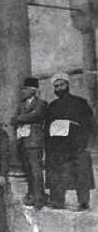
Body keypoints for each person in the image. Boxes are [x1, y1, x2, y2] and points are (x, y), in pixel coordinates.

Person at [45, 72, 95, 211]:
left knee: (81, 171)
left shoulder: (80, 102)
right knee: (57, 171)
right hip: (57, 143)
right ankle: (57, 200)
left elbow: (90, 123)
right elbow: (47, 126)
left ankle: (83, 202)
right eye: (56, 86)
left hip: (76, 141)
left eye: (62, 85)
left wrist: (88, 143)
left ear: (68, 85)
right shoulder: (52, 106)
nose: (59, 88)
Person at [11, 77, 48, 210]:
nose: (23, 91)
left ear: (33, 90)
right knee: (28, 170)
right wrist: (22, 118)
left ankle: (39, 197)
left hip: (34, 140)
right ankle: (32, 194)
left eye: (25, 89)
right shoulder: (22, 105)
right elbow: (12, 119)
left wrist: (20, 118)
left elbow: (36, 115)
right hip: (23, 140)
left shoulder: (40, 103)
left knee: (36, 169)